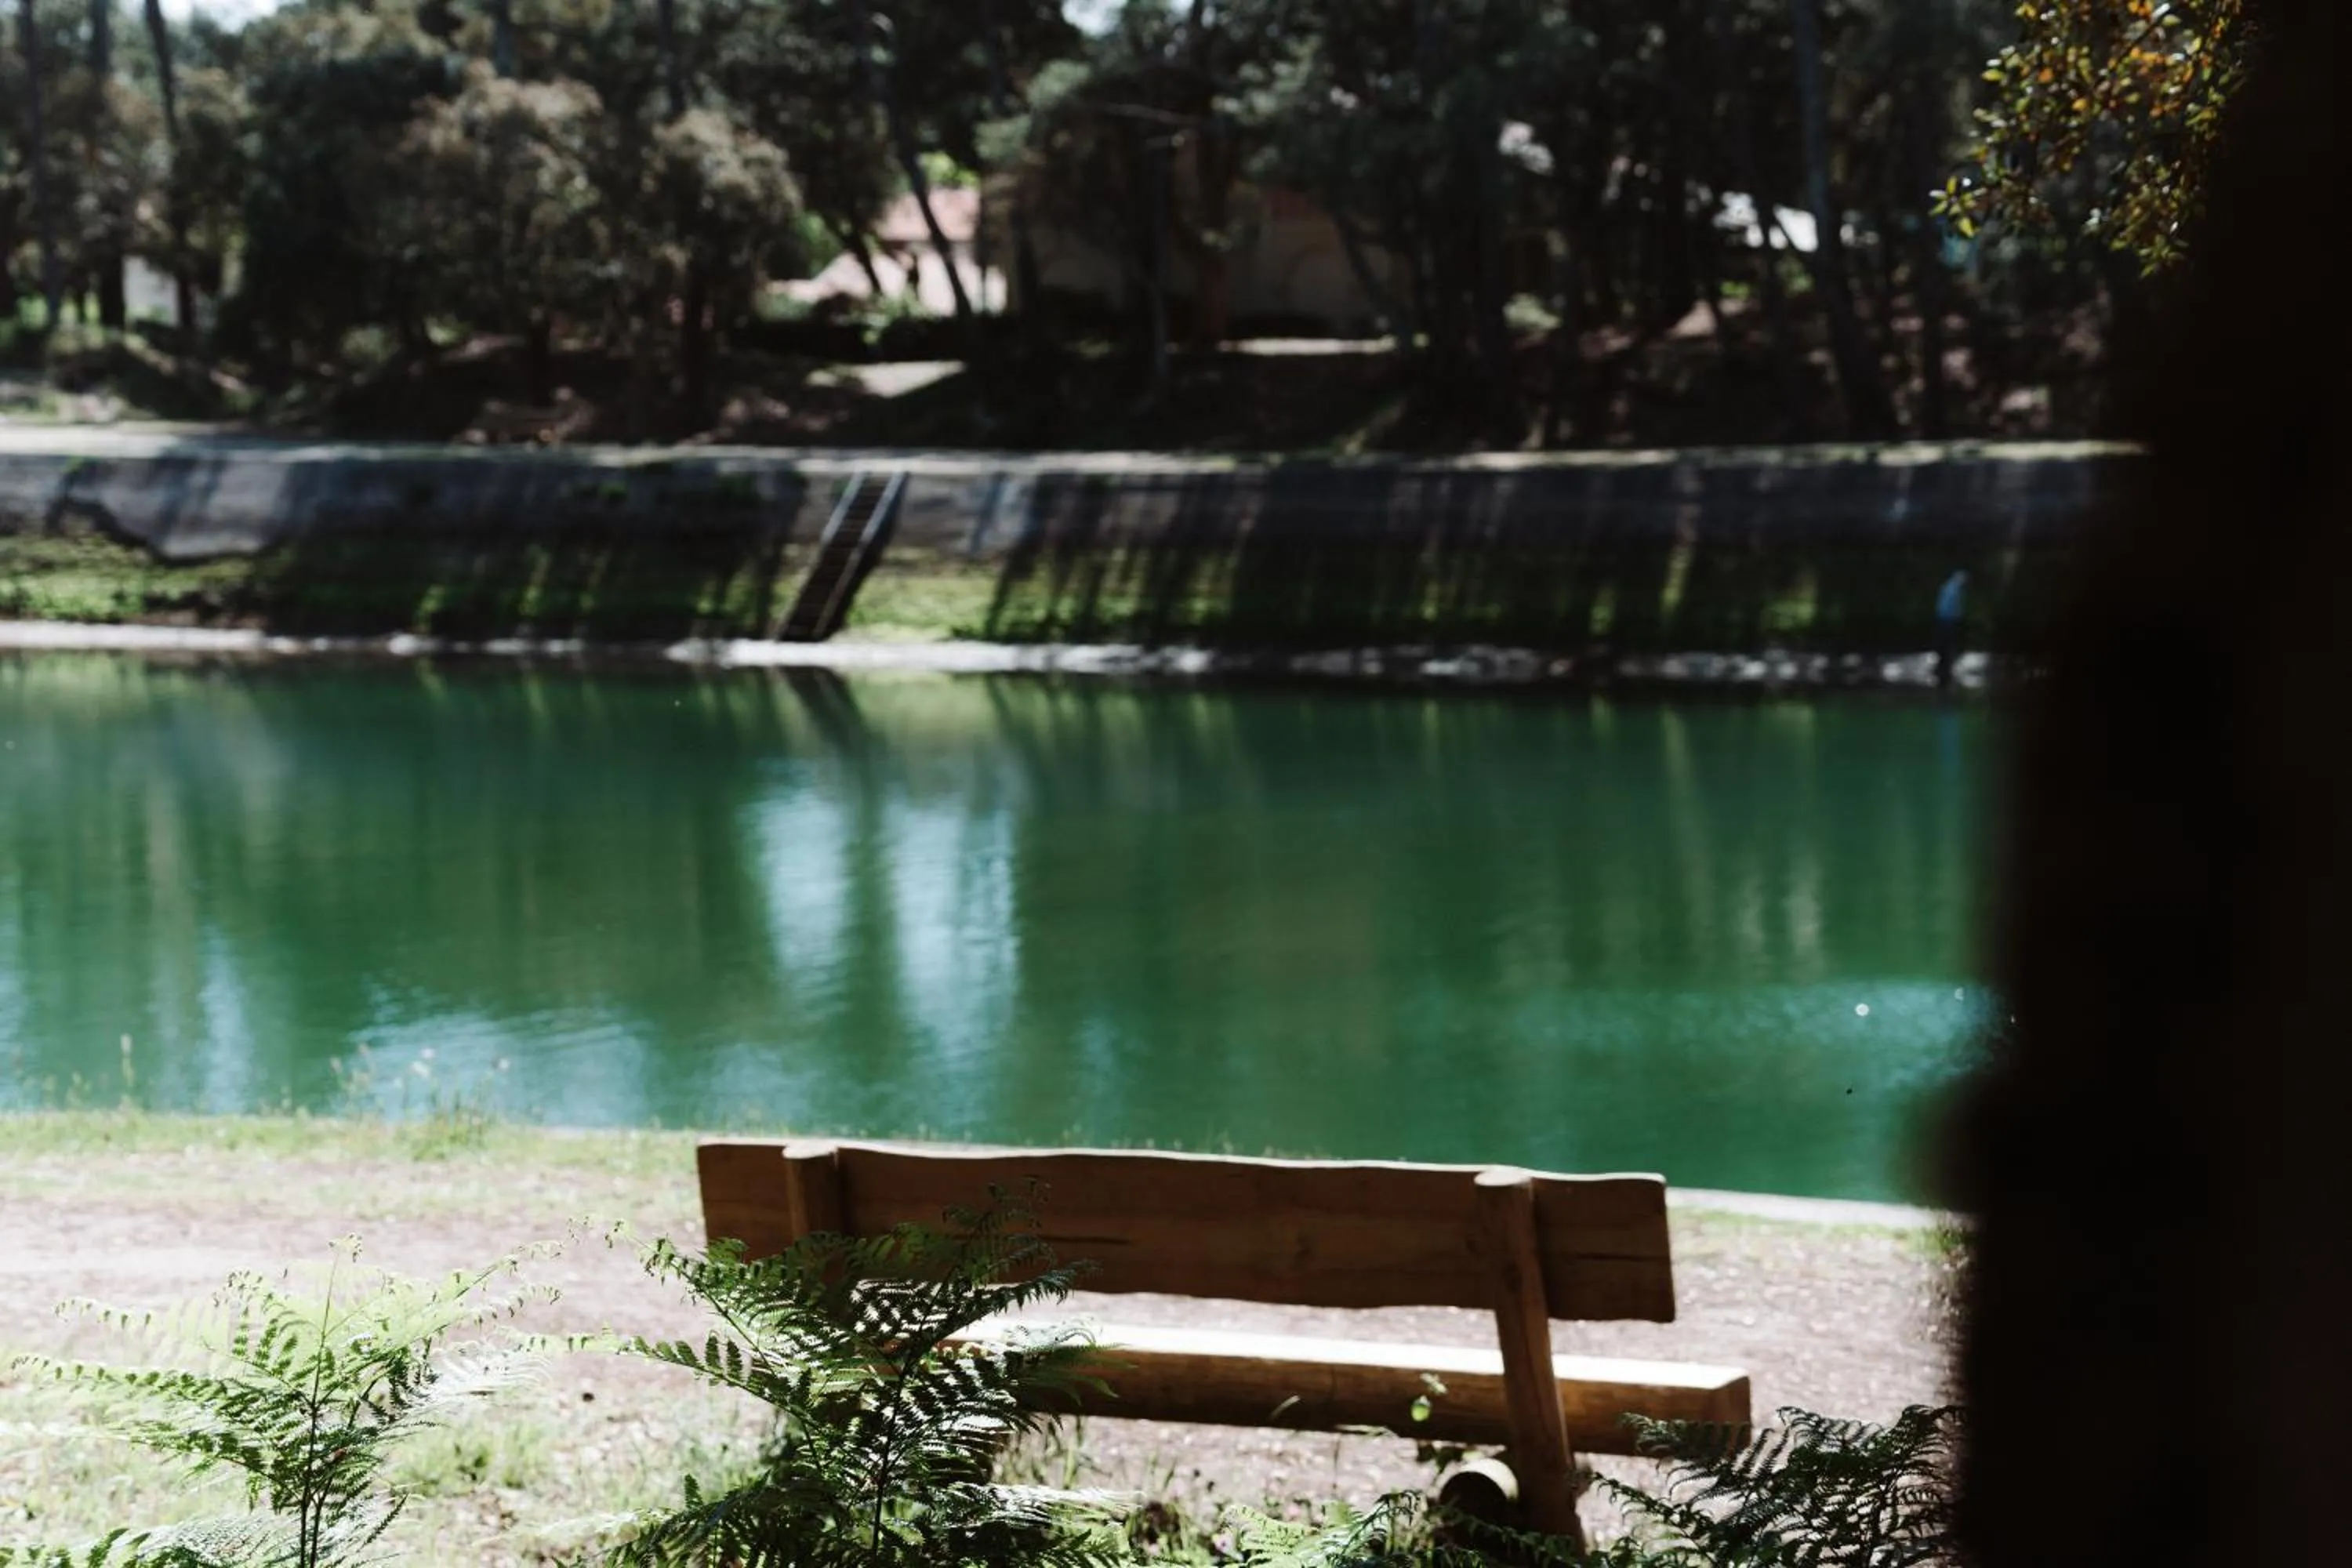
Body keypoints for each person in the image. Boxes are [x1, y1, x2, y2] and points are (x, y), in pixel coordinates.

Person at [1933, 568, 1968, 688]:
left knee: (1942, 643)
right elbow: (1956, 608)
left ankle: (1941, 666)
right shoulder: (1956, 590)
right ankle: (1946, 668)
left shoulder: (1945, 587)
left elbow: (1940, 605)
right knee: (1948, 643)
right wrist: (1960, 619)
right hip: (1950, 620)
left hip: (1940, 619)